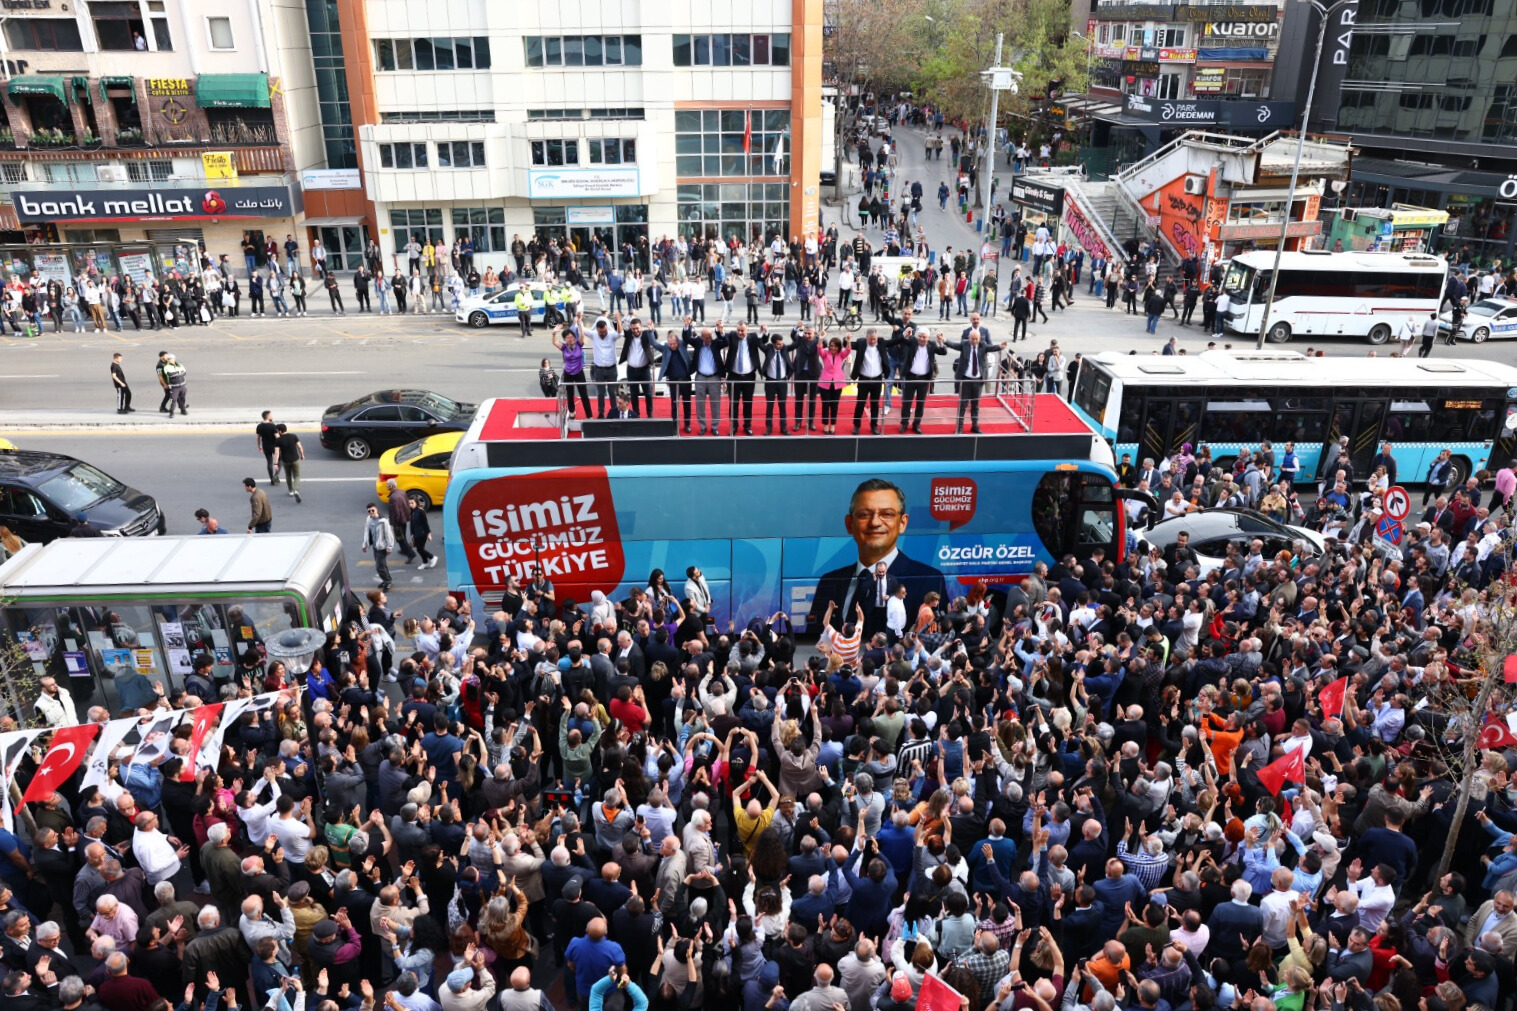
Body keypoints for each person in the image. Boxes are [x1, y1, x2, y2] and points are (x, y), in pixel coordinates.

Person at [806, 477, 949, 632]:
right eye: (864, 515)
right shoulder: (829, 581)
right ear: (849, 524)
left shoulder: (929, 579)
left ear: (902, 523)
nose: (875, 522)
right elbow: (817, 637)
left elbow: (934, 636)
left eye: (886, 514)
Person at [944, 313, 1001, 433]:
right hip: (966, 380)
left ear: (979, 339)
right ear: (969, 338)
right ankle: (959, 428)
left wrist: (1001, 346)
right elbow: (954, 345)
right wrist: (944, 340)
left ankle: (974, 426)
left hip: (978, 380)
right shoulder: (965, 345)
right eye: (972, 339)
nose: (974, 341)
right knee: (963, 405)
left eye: (976, 339)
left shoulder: (983, 345)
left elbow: (992, 347)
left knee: (975, 405)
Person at [361, 502, 397, 590]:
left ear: (376, 509)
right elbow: (366, 532)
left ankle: (388, 581)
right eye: (369, 511)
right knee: (382, 565)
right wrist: (365, 544)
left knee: (379, 566)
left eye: (372, 510)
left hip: (382, 547)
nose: (371, 512)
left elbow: (389, 535)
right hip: (375, 546)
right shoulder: (369, 519)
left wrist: (389, 547)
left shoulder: (383, 521)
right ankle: (387, 580)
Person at [272, 424, 304, 504]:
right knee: (296, 475)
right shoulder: (293, 436)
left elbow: (276, 453)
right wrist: (302, 455)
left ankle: (290, 490)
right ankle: (296, 490)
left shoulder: (278, 440)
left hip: (285, 461)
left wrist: (275, 463)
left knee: (288, 475)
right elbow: (299, 447)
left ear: (280, 431)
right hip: (295, 459)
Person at [255, 411, 279, 486]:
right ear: (267, 416)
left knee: (269, 462)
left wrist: (259, 446)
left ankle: (271, 479)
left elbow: (258, 437)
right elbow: (277, 437)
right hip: (274, 446)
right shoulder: (272, 426)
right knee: (280, 459)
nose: (272, 416)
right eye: (271, 415)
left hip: (265, 446)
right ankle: (275, 476)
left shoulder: (259, 426)